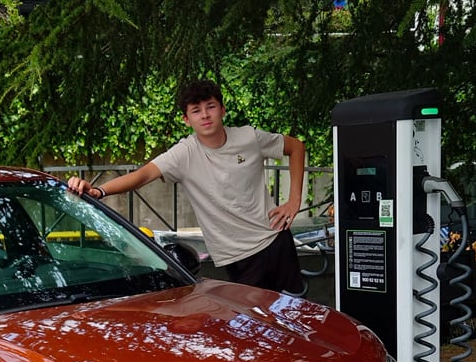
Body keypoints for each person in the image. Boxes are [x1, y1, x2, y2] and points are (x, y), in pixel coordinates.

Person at [67, 79, 307, 294]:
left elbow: (296, 147)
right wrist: (99, 191)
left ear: (222, 110)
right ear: (186, 119)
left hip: (275, 240)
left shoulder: (249, 138)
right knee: (253, 329)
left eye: (211, 107)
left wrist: (294, 200)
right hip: (236, 257)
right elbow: (143, 175)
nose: (205, 115)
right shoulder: (184, 153)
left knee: (295, 316)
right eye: (196, 110)